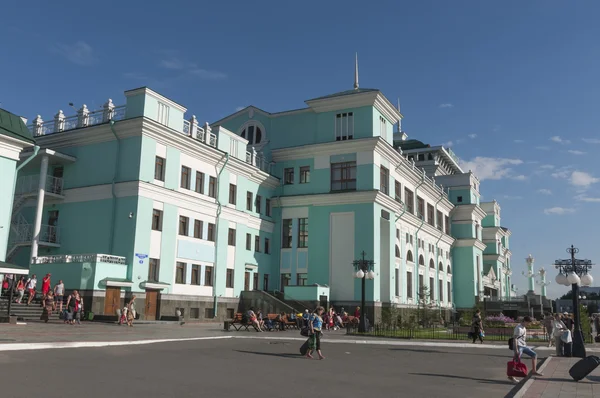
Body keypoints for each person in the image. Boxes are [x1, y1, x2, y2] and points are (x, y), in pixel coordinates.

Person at [509, 316, 543, 382]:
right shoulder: (518, 328)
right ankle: (511, 376)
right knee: (516, 360)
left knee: (534, 355)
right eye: (528, 323)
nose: (529, 324)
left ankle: (534, 371)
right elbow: (515, 339)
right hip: (518, 346)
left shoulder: (524, 327)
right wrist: (516, 350)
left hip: (523, 346)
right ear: (525, 321)